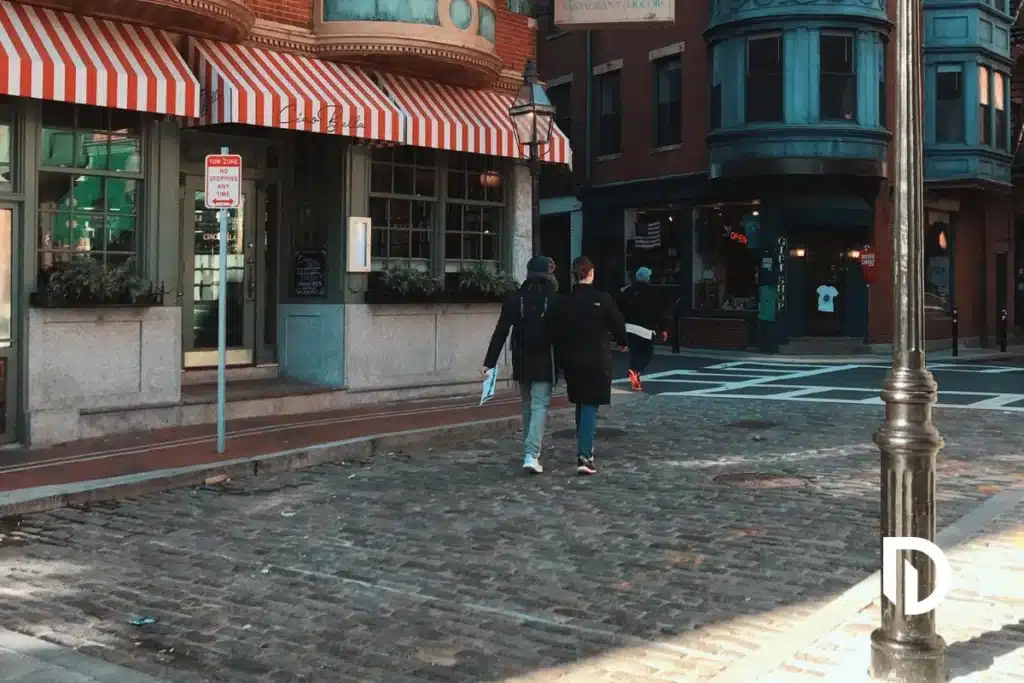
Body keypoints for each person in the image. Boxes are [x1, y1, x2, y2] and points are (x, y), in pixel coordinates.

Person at [481, 255, 562, 474]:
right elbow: (563, 334)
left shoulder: (515, 298)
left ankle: (530, 451)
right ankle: (532, 453)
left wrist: (489, 361)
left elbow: (501, 331)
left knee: (528, 404)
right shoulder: (554, 299)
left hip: (521, 357)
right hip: (546, 359)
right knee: (539, 405)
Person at [559, 256, 628, 475]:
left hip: (572, 358)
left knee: (581, 403)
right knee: (589, 404)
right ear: (590, 273)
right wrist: (623, 342)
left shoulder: (566, 300)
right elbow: (618, 324)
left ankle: (584, 446)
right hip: (596, 358)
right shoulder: (602, 298)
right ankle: (585, 455)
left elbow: (556, 329)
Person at [620, 267, 668, 391]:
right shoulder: (652, 292)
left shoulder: (627, 290)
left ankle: (635, 377)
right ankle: (636, 371)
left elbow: (619, 308)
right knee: (647, 353)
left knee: (634, 353)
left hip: (628, 327)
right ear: (647, 278)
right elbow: (658, 311)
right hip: (645, 329)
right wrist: (663, 328)